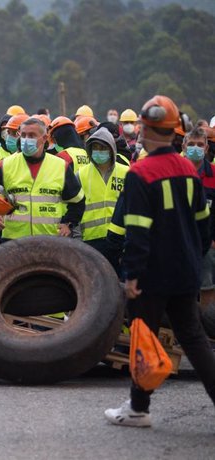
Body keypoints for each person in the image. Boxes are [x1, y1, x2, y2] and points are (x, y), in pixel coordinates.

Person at [105, 95, 215, 427]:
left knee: (143, 336)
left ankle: (138, 409)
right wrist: (193, 258)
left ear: (149, 130)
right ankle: (139, 406)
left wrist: (133, 275)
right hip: (185, 270)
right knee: (193, 339)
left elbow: (138, 230)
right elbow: (204, 223)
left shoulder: (141, 172)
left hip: (153, 274)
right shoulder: (187, 168)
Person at [0, 117, 85, 241]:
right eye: (23, 135)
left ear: (45, 138)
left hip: (49, 240)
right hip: (13, 240)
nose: (26, 140)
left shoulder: (60, 166)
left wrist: (68, 224)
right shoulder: (5, 165)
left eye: (31, 135)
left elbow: (78, 200)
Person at [77, 127, 128, 272]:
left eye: (103, 147)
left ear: (111, 149)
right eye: (96, 147)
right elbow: (74, 210)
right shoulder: (81, 175)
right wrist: (78, 243)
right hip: (90, 243)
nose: (99, 151)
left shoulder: (126, 173)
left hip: (120, 243)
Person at [181, 127, 215, 291]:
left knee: (206, 286)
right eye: (192, 144)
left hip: (207, 246)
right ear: (184, 147)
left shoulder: (214, 175)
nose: (196, 148)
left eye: (200, 145)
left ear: (207, 148)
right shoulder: (173, 173)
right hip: (177, 243)